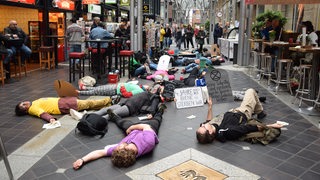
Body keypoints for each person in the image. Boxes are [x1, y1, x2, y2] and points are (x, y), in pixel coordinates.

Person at [72, 104, 166, 169]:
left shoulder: (121, 151)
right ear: (128, 148)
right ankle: (160, 110)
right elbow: (146, 126)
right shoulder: (148, 141)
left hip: (133, 132)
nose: (117, 146)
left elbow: (100, 153)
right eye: (119, 146)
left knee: (122, 123)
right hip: (149, 129)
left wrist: (82, 160)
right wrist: (133, 127)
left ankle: (113, 115)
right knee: (157, 119)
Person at [196, 89, 284, 144]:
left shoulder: (211, 128)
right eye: (204, 127)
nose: (202, 125)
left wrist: (210, 107)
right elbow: (248, 128)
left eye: (201, 126)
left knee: (250, 96)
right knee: (250, 91)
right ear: (210, 132)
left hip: (233, 111)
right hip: (243, 112)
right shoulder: (227, 131)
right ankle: (259, 110)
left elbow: (208, 121)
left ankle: (259, 111)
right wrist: (271, 125)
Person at [70, 90, 162, 121]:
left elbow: (154, 106)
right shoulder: (147, 92)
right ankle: (84, 116)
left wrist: (152, 113)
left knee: (109, 115)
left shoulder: (155, 97)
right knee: (105, 110)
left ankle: (87, 120)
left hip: (130, 107)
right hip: (124, 103)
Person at [15, 97, 112, 123]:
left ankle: (108, 104)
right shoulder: (32, 109)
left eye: (23, 102)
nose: (25, 102)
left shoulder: (33, 103)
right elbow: (42, 113)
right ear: (25, 110)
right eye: (23, 105)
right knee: (88, 103)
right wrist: (51, 119)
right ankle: (109, 100)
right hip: (63, 105)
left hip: (62, 102)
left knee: (87, 105)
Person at [78, 81, 145, 97]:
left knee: (97, 91)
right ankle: (84, 88)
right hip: (115, 87)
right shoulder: (140, 87)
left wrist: (122, 87)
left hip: (115, 90)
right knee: (98, 88)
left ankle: (79, 92)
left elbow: (126, 94)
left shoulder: (140, 90)